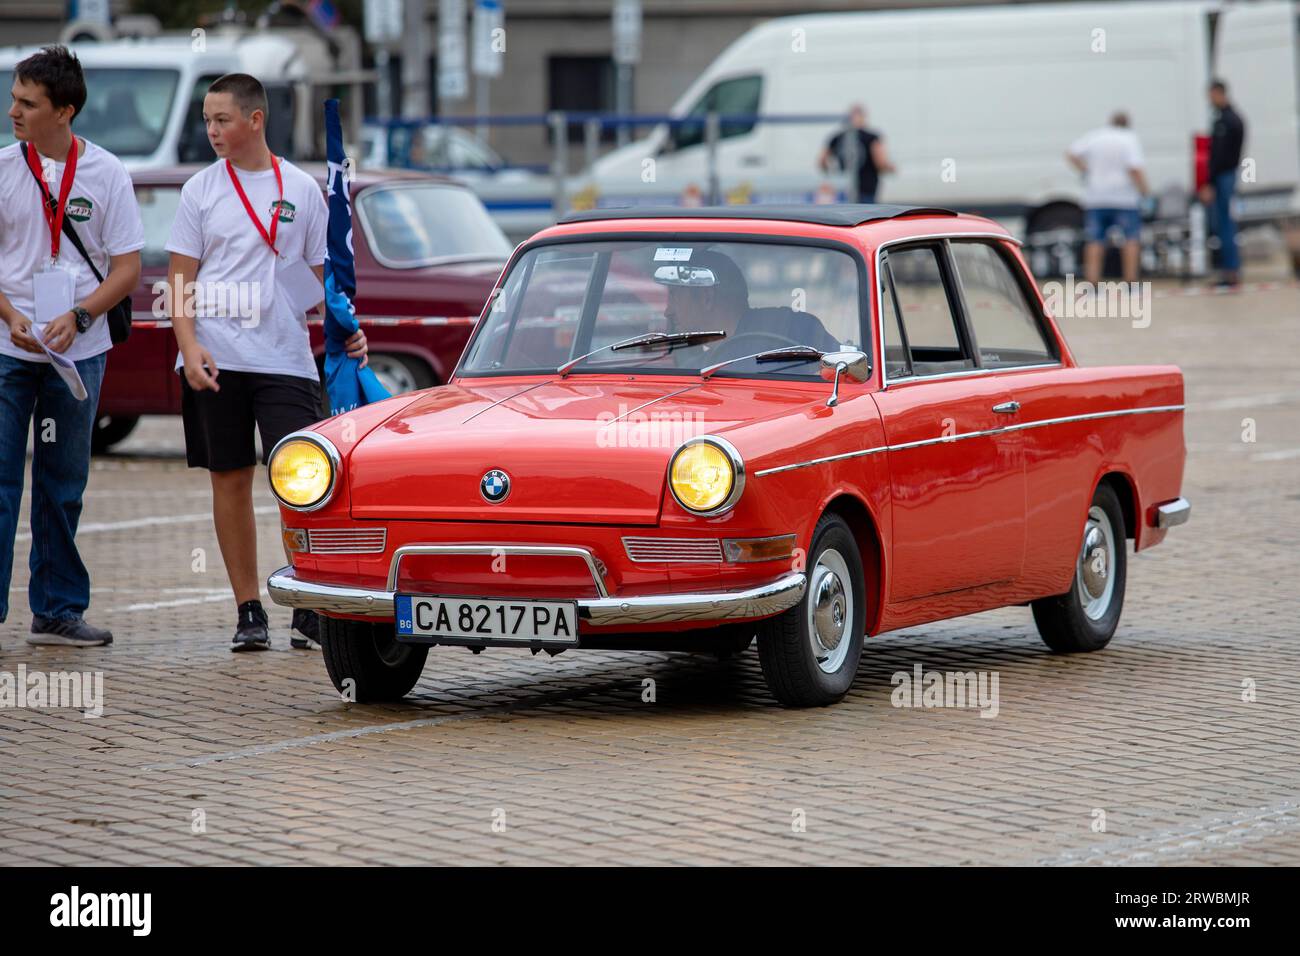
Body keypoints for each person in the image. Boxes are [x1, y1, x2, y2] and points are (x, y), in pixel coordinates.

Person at [164, 73, 367, 652]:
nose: (212, 131)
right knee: (229, 480)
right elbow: (180, 278)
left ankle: (308, 599)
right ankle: (248, 609)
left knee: (304, 483)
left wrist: (349, 327)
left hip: (286, 358)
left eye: (221, 119)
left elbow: (326, 276)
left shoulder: (301, 188)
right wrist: (188, 345)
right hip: (216, 359)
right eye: (206, 120)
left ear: (255, 120)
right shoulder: (199, 190)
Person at [0, 46, 143, 646]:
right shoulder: (5, 168)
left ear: (65, 110)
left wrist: (81, 316)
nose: (14, 111)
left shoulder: (107, 173)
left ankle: (57, 609)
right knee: (2, 481)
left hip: (76, 358)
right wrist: (10, 316)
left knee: (63, 483)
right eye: (13, 98)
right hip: (9, 354)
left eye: (28, 103)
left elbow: (129, 269)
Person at [1067, 112, 1150, 285]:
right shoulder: (1129, 138)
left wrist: (1086, 170)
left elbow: (1071, 153)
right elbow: (1134, 168)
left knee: (1095, 241)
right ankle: (1130, 283)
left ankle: (1092, 284)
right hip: (1124, 198)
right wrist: (1144, 191)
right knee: (1130, 240)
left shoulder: (1096, 136)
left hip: (1096, 196)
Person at [1201, 79, 1246, 288]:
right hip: (1225, 176)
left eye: (1210, 95)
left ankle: (1231, 271)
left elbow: (1219, 156)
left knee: (1226, 224)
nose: (1209, 99)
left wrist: (1209, 181)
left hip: (1224, 177)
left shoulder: (1227, 121)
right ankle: (1230, 270)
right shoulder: (1227, 118)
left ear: (1219, 93)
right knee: (1224, 224)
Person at [818, 103, 895, 203]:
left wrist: (832, 174)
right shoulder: (871, 137)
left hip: (844, 189)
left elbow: (822, 161)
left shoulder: (837, 137)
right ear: (863, 116)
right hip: (866, 187)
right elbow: (880, 163)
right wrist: (891, 168)